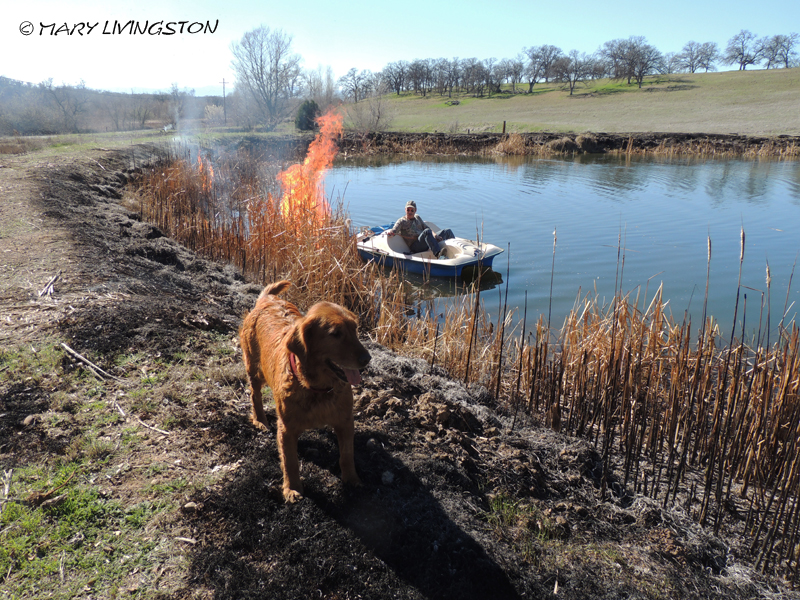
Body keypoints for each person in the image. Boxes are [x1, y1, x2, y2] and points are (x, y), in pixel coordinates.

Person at [387, 200, 454, 258]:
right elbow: (394, 230)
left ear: (415, 210)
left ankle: (456, 252)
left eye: (412, 210)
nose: (409, 212)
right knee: (426, 232)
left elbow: (427, 228)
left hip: (426, 241)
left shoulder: (417, 217)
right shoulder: (401, 221)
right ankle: (439, 255)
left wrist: (436, 236)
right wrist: (391, 233)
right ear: (405, 210)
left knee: (447, 231)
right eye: (408, 210)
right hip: (416, 246)